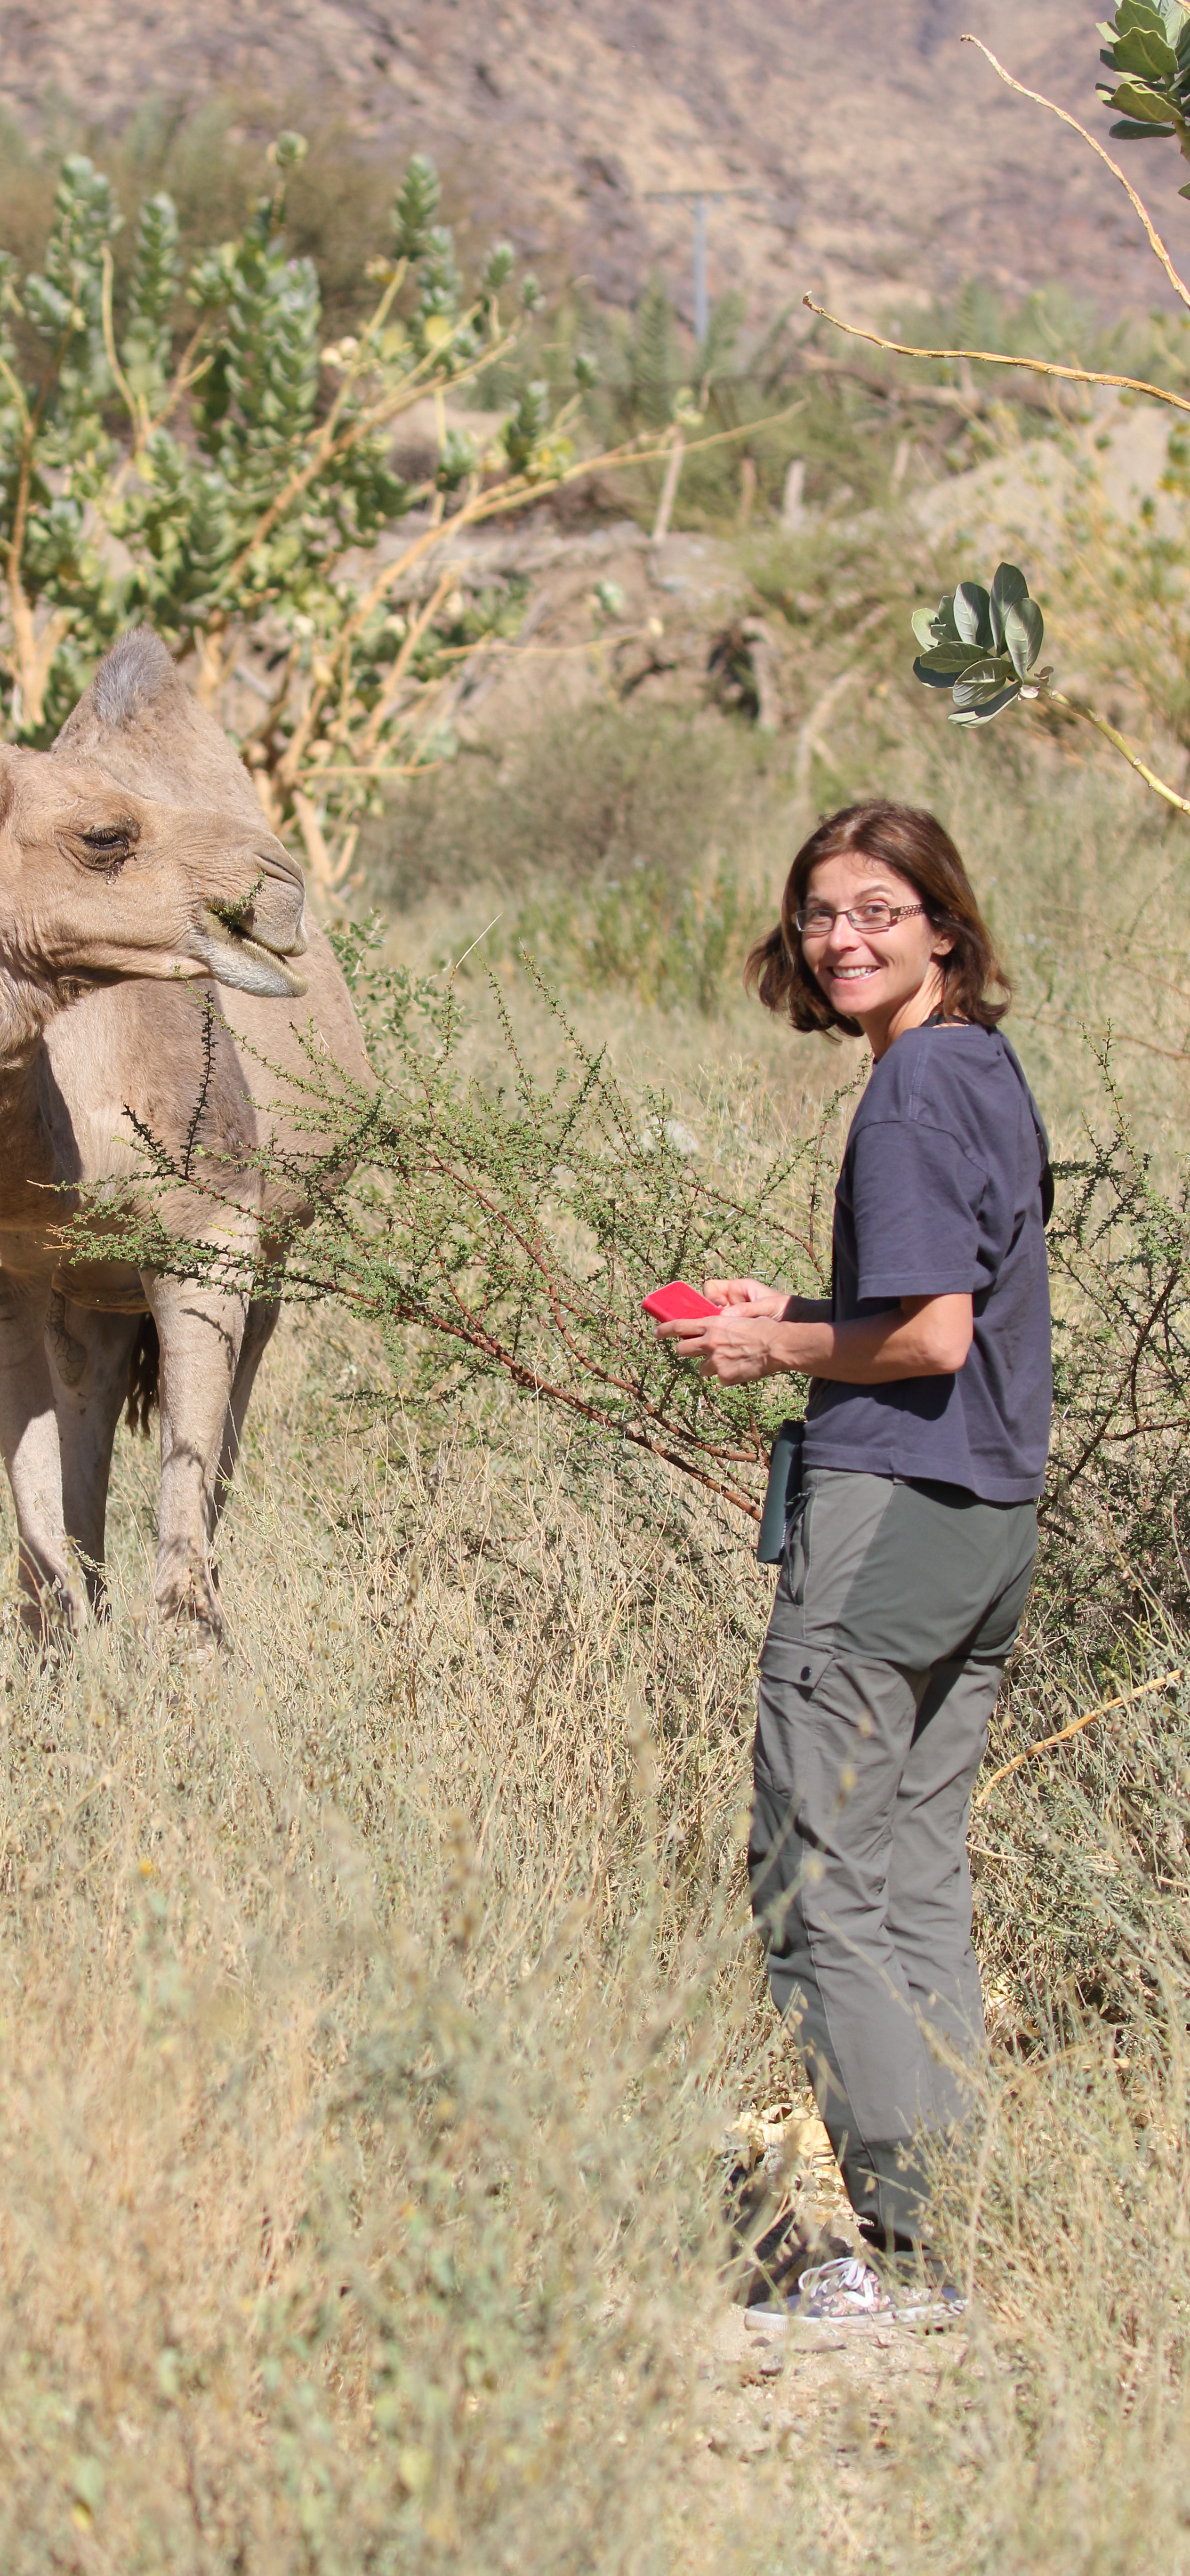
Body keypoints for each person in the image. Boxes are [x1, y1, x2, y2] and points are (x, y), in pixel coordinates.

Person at [657, 799, 1052, 2316]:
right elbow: (935, 1307)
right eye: (823, 914)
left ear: (943, 924)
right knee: (910, 1876)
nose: (844, 940)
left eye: (879, 910)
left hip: (891, 1523)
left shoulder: (909, 1095)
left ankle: (902, 2250)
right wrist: (809, 1311)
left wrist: (769, 1342)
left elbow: (931, 1335)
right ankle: (969, 2235)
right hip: (987, 1525)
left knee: (813, 1877)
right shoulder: (978, 1069)